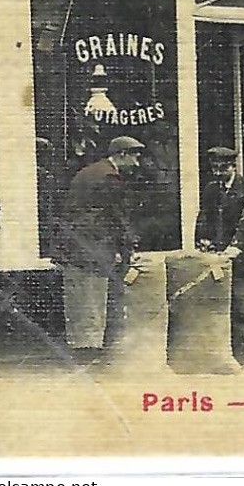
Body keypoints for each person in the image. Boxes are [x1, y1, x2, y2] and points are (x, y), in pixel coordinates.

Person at [52, 135, 144, 363]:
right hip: (93, 249)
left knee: (78, 303)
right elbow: (117, 216)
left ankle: (80, 350)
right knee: (93, 301)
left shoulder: (89, 172)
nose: (137, 164)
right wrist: (128, 246)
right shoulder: (109, 177)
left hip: (74, 248)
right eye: (134, 157)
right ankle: (90, 357)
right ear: (121, 155)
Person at [195, 145, 244, 372]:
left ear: (233, 166)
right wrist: (203, 240)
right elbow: (204, 217)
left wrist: (235, 247)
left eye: (223, 168)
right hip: (219, 259)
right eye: (215, 168)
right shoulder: (211, 189)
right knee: (225, 309)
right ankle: (239, 358)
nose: (218, 173)